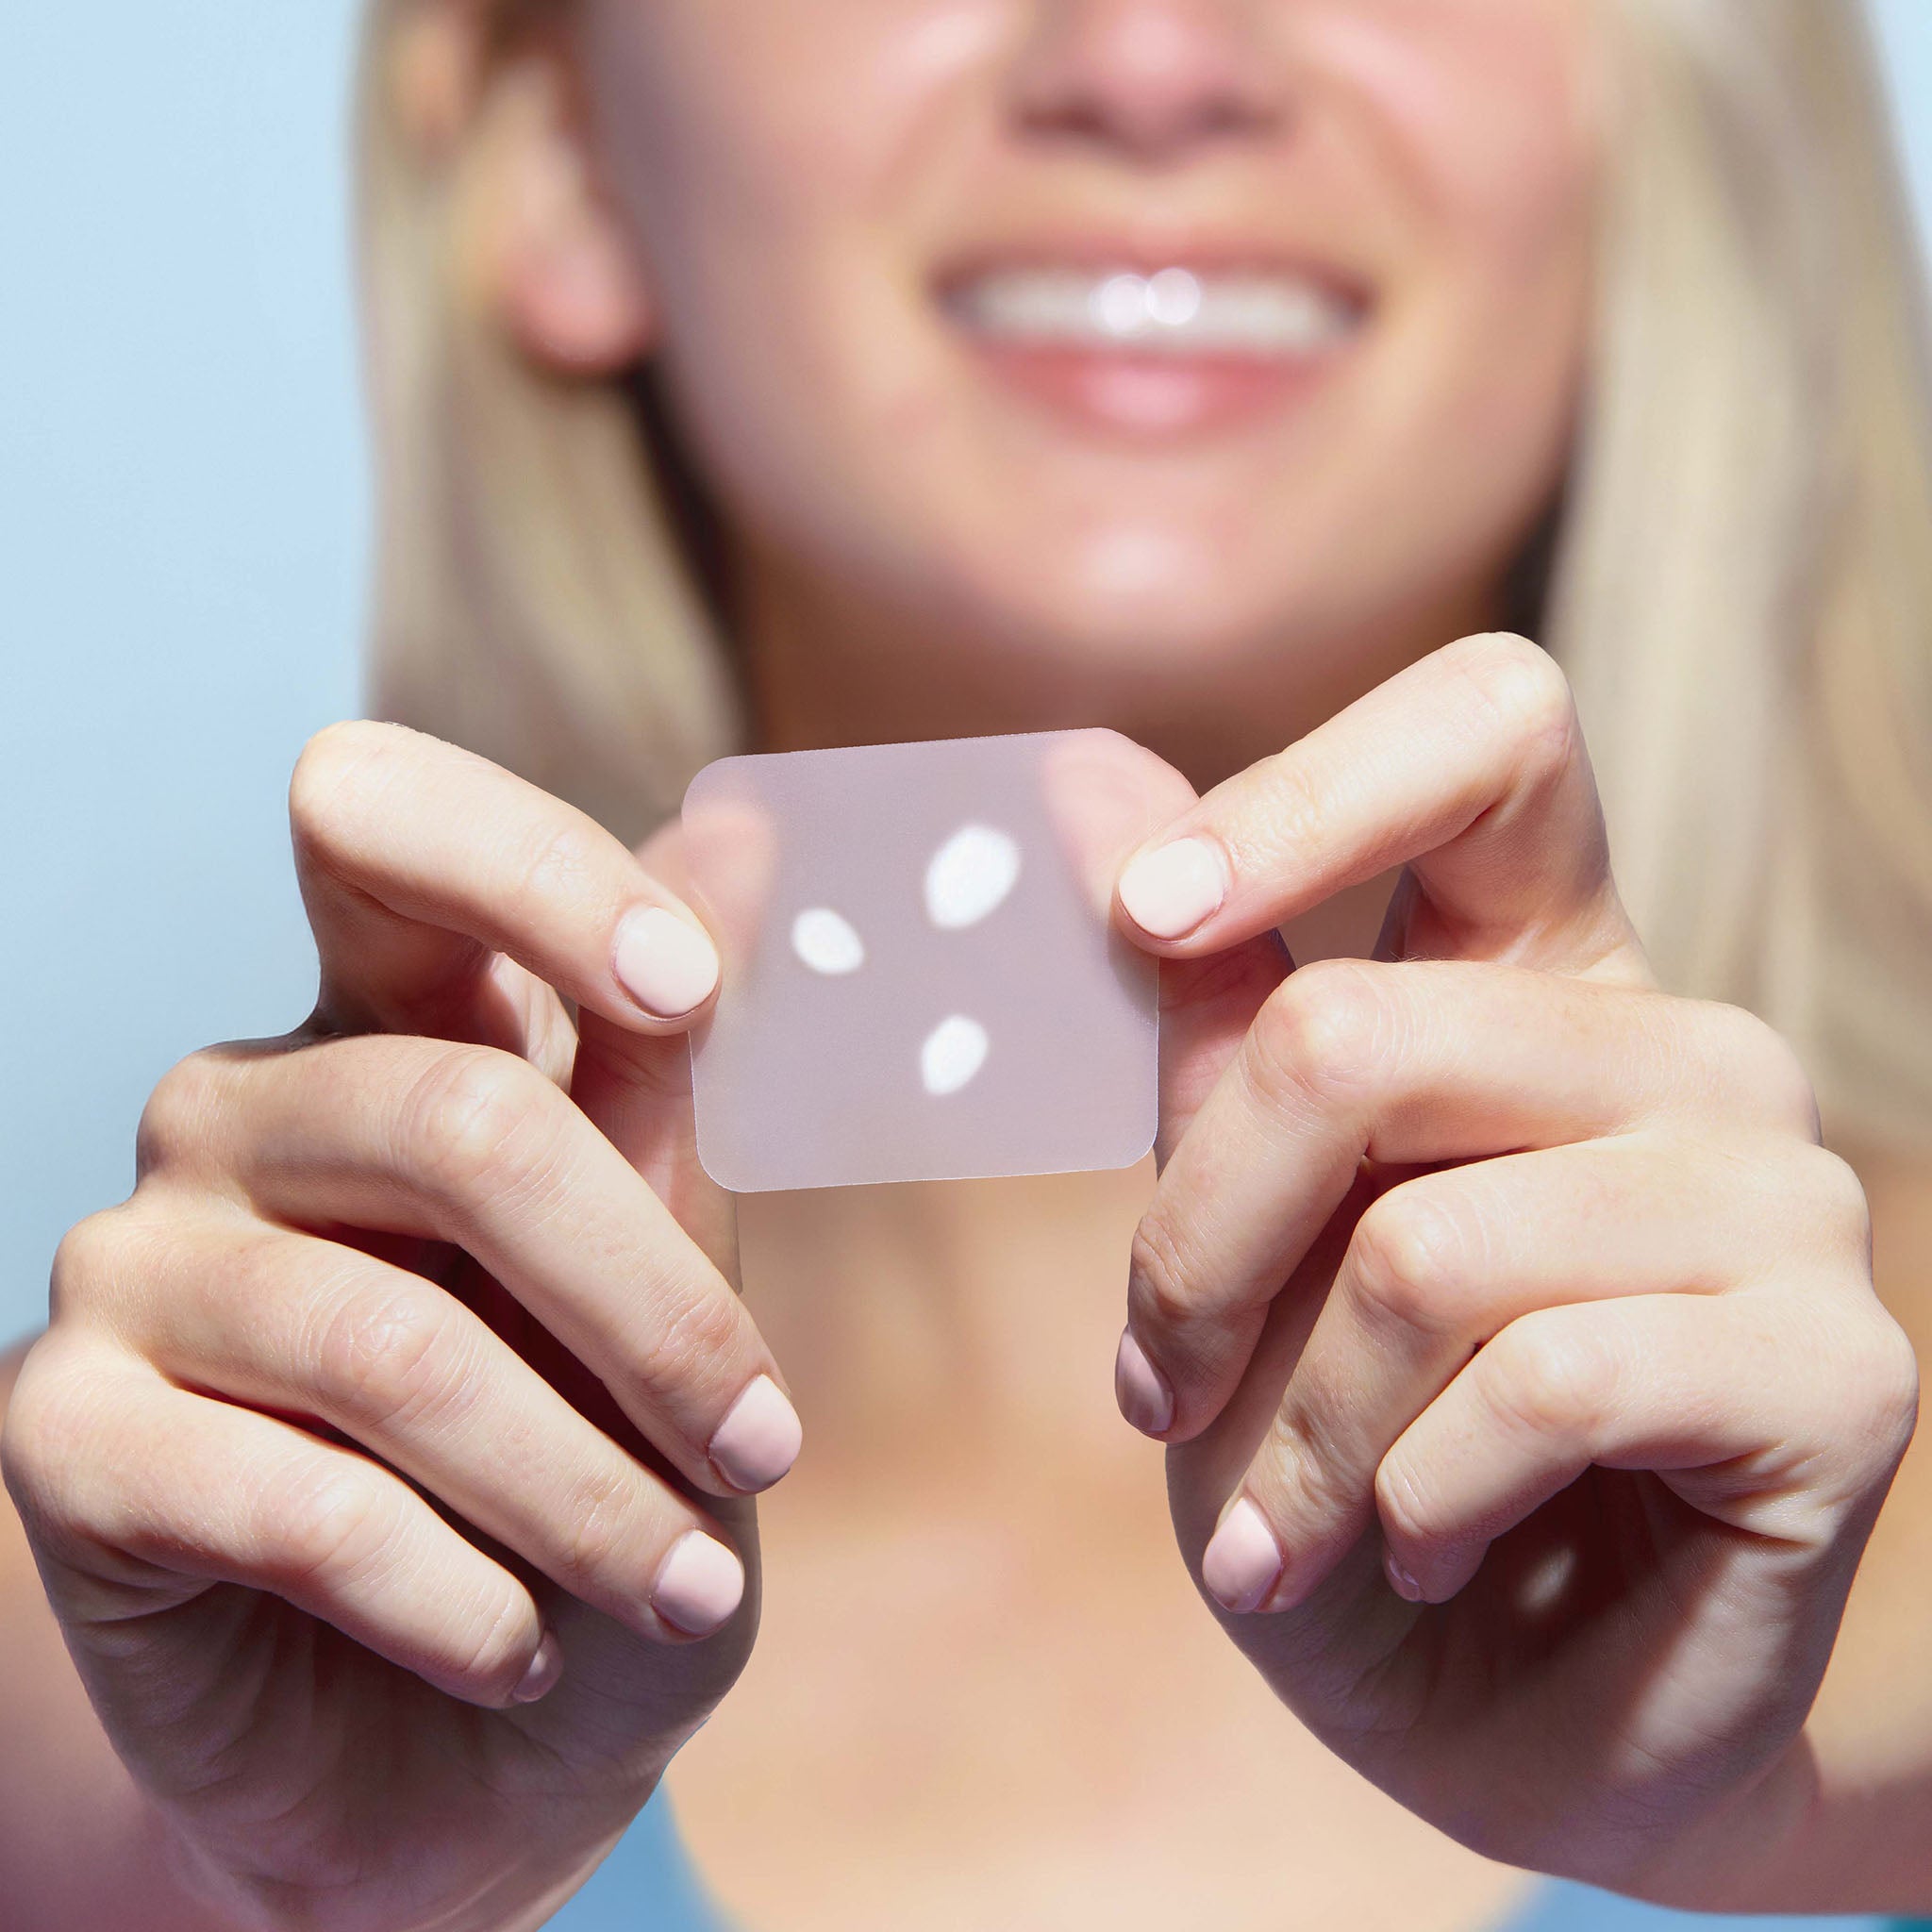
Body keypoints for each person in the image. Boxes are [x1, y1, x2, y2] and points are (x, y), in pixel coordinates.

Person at [4, 1, 1931, 1926]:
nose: (1153, 60)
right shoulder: (131, 1592)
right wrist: (236, 1886)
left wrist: (1822, 1826)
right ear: (561, 148)